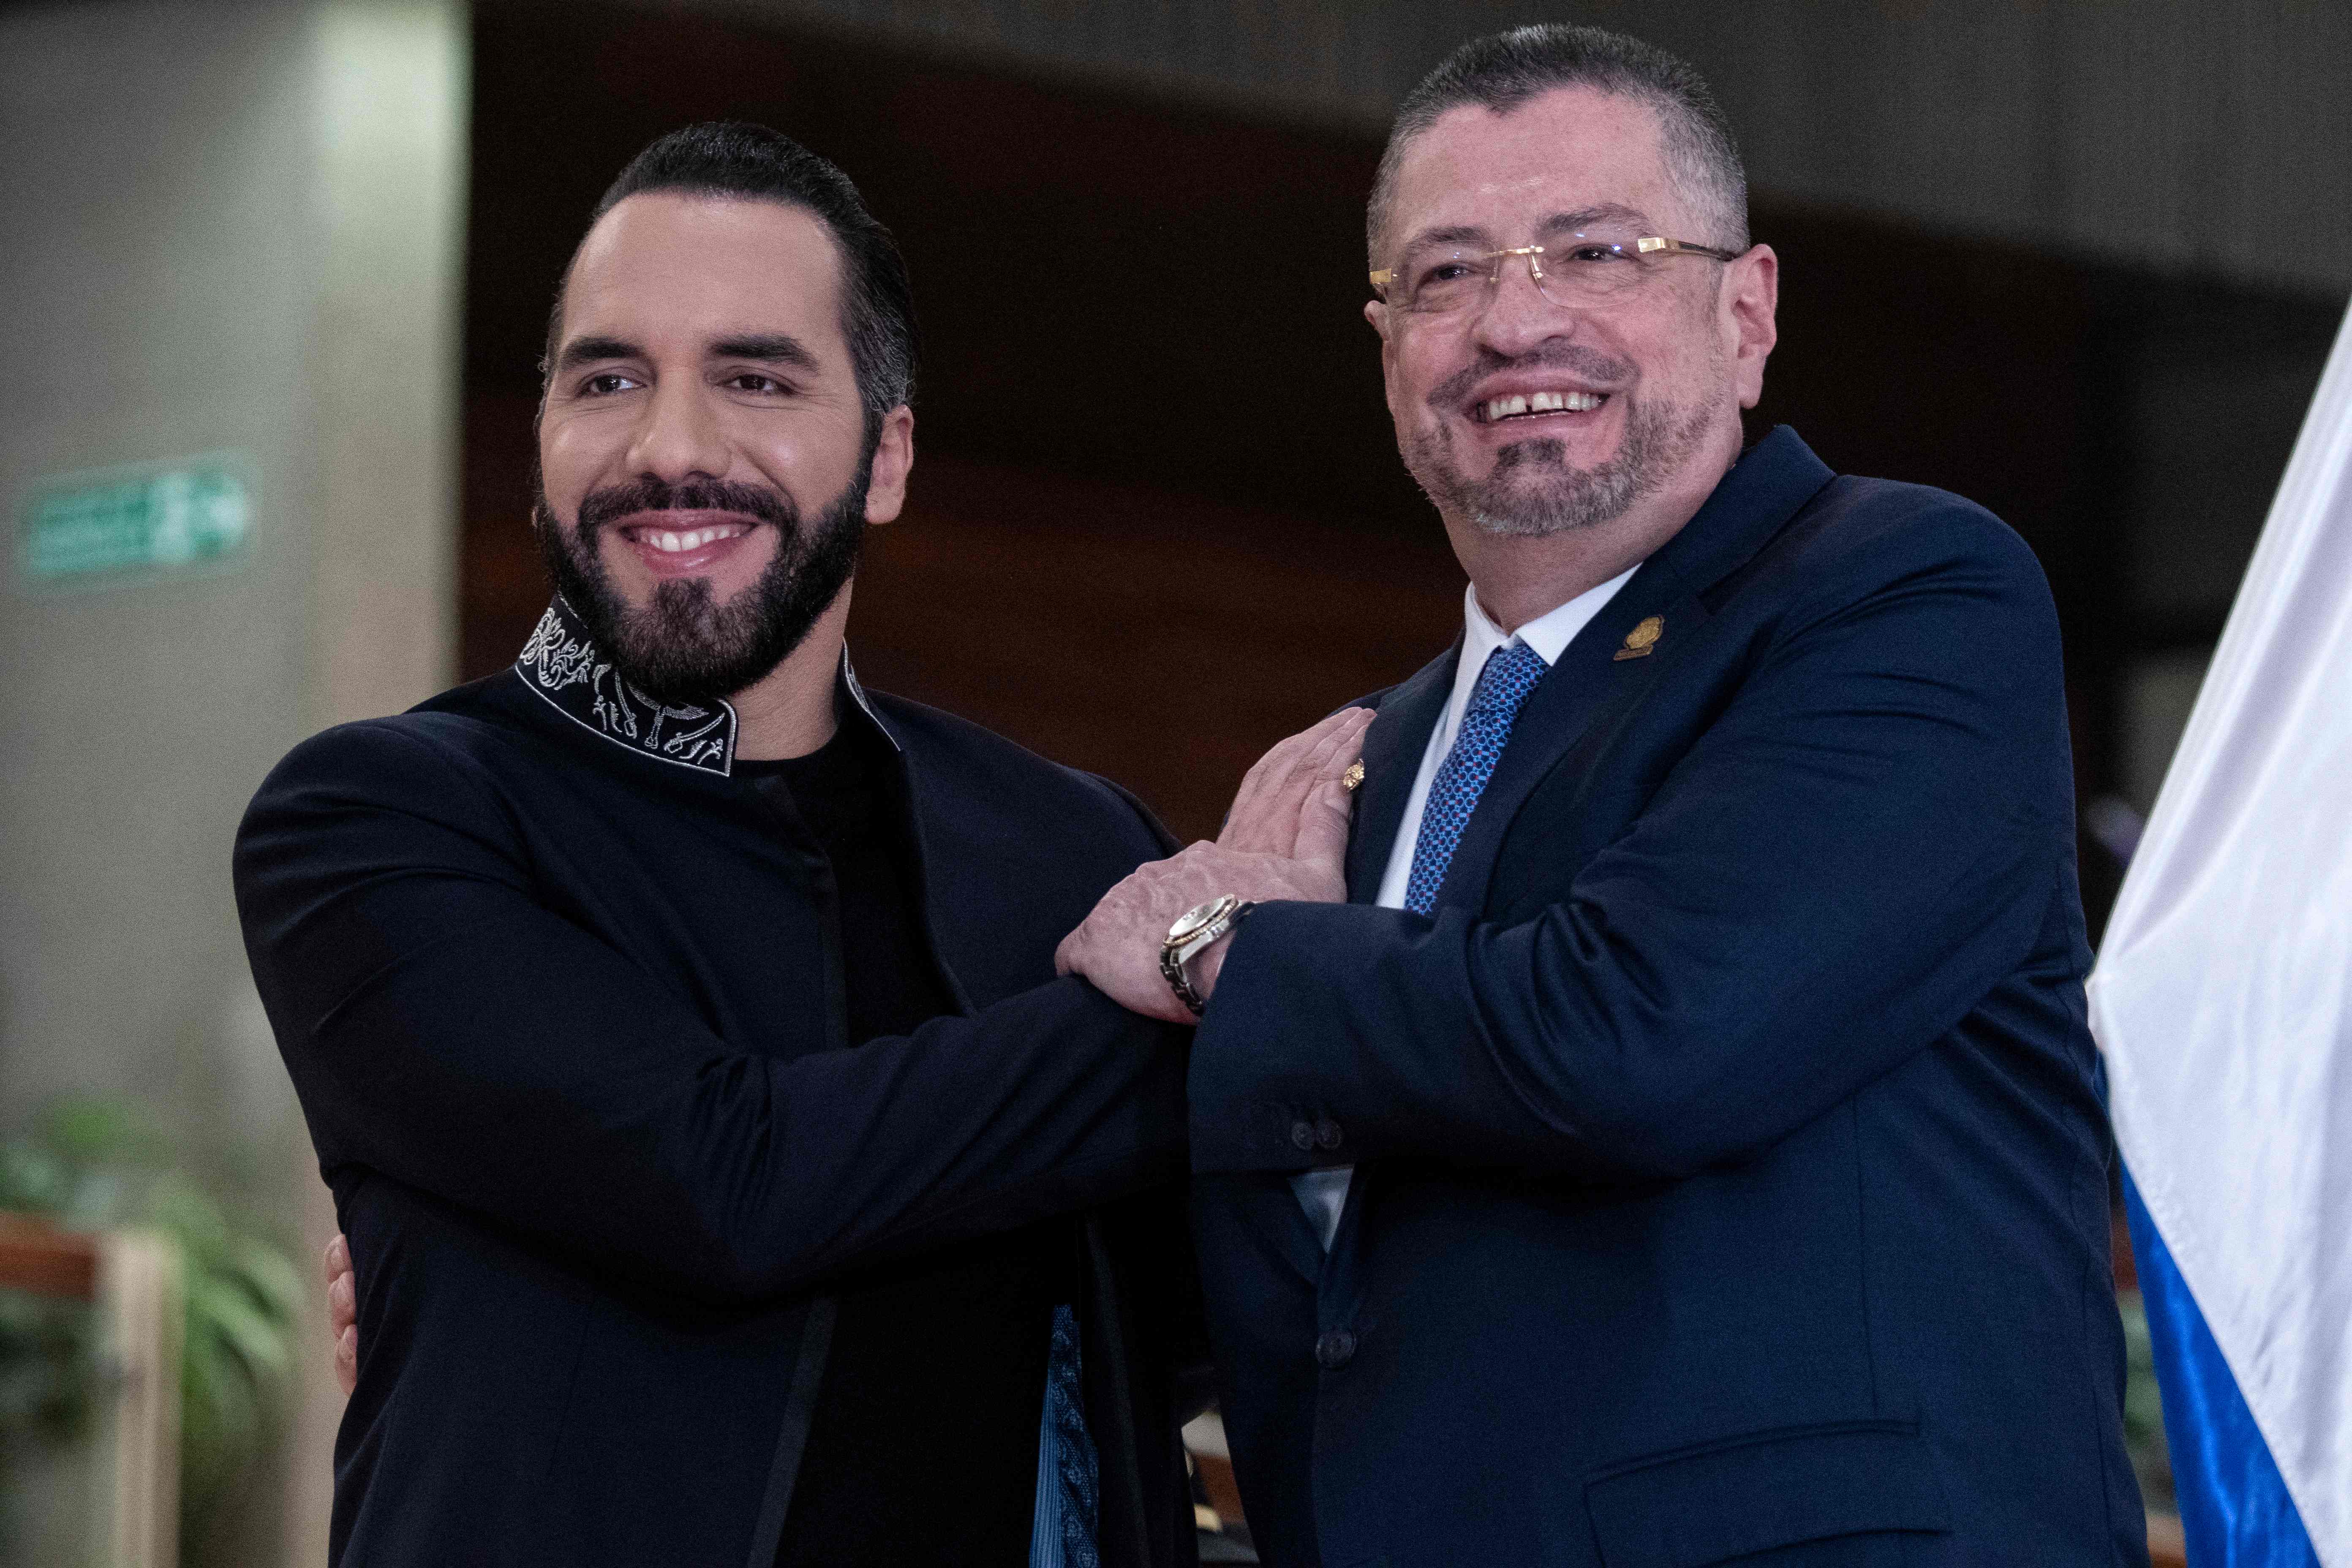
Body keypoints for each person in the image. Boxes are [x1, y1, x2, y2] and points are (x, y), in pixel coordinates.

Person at [1059, 24, 2149, 1567]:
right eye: (1444, 274)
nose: (1516, 323)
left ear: (1747, 309)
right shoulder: (1356, 769)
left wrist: (1220, 946)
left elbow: (1637, 1034)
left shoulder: (1904, 596)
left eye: (1597, 251)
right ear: (1387, 351)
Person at [237, 122, 1336, 1568]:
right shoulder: (378, 816)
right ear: (543, 446)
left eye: (754, 379)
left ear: (883, 459)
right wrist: (1226, 980)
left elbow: (1171, 1321)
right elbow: (725, 1182)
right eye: (608, 380)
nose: (670, 448)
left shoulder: (1067, 841)